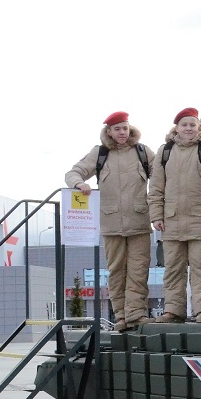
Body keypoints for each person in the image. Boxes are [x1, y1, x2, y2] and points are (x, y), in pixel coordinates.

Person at [65, 112, 155, 331]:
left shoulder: (143, 152)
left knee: (139, 270)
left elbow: (162, 176)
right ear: (109, 132)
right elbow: (73, 172)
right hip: (111, 224)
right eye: (117, 129)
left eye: (125, 128)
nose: (122, 133)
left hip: (139, 222)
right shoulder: (100, 153)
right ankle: (121, 316)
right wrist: (79, 184)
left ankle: (136, 314)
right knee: (116, 271)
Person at [148, 108, 201, 323]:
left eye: (192, 125)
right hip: (171, 221)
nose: (188, 129)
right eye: (184, 125)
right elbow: (155, 187)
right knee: (172, 269)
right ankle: (173, 310)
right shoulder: (165, 152)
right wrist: (156, 215)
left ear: (198, 127)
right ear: (176, 128)